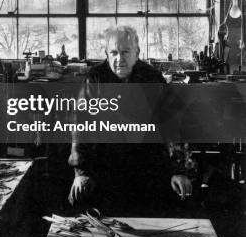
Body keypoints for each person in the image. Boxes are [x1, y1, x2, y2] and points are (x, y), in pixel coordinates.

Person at [68, 25, 196, 208]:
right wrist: (81, 172)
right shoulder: (95, 79)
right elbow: (81, 128)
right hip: (106, 162)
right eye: (113, 53)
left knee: (174, 200)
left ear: (137, 53)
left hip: (147, 161)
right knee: (83, 200)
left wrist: (180, 170)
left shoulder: (152, 78)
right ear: (106, 53)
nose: (119, 59)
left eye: (125, 52)